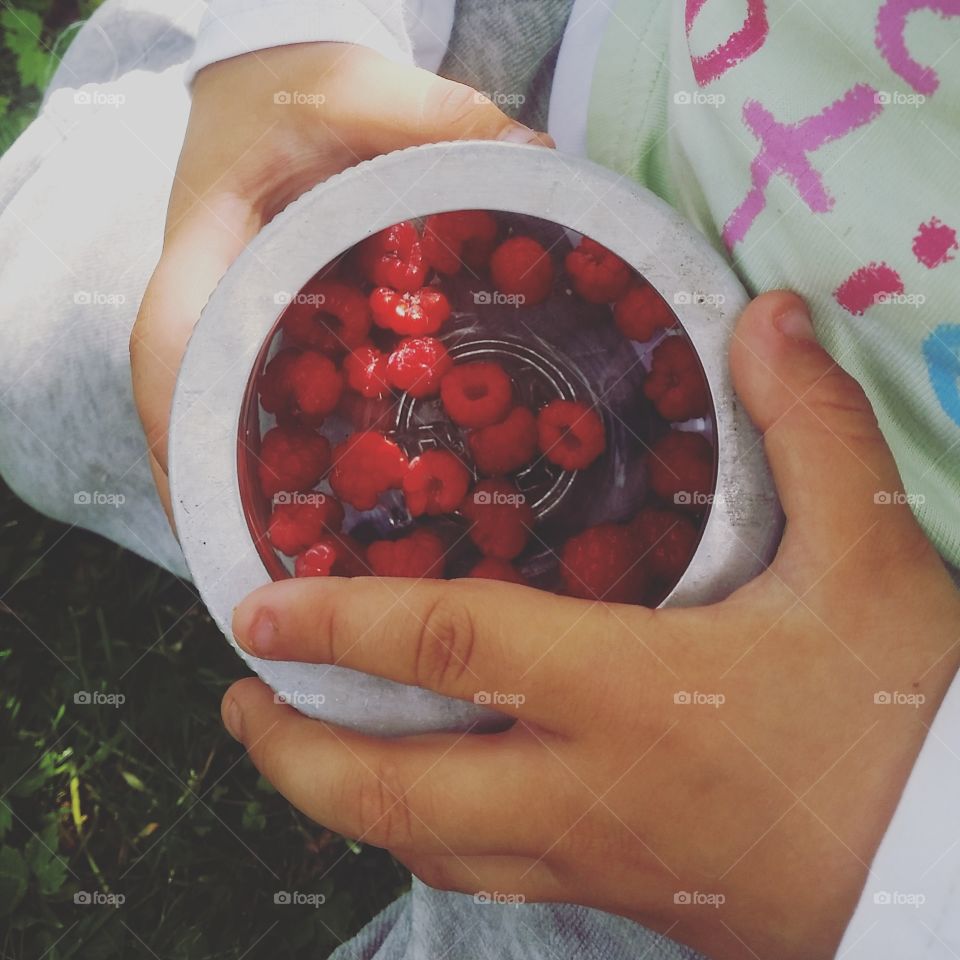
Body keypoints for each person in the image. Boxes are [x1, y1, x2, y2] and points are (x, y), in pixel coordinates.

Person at [1, 1, 958, 957]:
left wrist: (898, 858)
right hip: (551, 103)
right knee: (31, 351)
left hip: (833, 779)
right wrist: (288, 42)